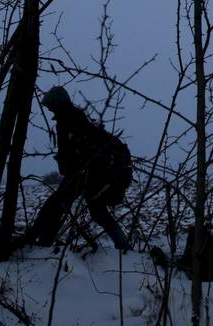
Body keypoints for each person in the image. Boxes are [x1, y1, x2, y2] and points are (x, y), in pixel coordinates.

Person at [17, 86, 131, 255]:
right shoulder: (72, 118)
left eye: (50, 106)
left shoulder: (70, 119)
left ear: (57, 103)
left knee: (56, 206)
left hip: (84, 174)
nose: (49, 109)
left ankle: (41, 245)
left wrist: (73, 166)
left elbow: (79, 150)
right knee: (95, 212)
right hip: (87, 174)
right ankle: (123, 247)